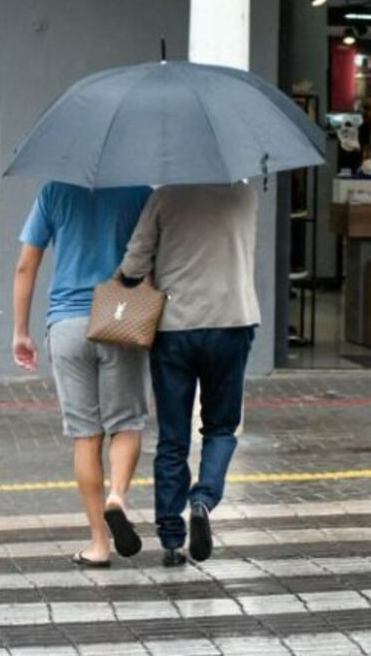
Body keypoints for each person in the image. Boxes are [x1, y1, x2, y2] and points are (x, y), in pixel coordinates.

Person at [14, 180, 152, 567]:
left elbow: (26, 264)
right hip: (119, 317)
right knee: (126, 423)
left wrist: (21, 331)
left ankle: (98, 544)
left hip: (67, 323)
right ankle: (118, 497)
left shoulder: (54, 192)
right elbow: (155, 256)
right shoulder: (139, 192)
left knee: (85, 436)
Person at [120, 182, 259, 567]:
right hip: (232, 321)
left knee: (173, 437)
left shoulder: (165, 196)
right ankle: (203, 499)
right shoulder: (244, 194)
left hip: (174, 328)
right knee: (220, 428)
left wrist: (134, 278)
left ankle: (170, 539)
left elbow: (134, 265)